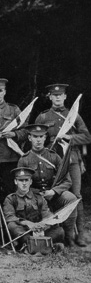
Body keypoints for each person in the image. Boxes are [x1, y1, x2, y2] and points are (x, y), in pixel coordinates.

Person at [34, 83, 91, 246]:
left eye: (60, 95)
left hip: (71, 160)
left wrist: (70, 138)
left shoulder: (73, 116)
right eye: (54, 95)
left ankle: (77, 235)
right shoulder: (43, 117)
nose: (57, 97)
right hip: (51, 162)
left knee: (76, 196)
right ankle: (58, 232)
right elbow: (37, 139)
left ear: (65, 97)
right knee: (55, 195)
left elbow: (87, 136)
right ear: (50, 97)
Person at [17, 124, 79, 246]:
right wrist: (36, 195)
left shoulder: (54, 156)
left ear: (45, 138)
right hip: (35, 198)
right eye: (35, 136)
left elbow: (67, 181)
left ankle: (68, 237)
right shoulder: (24, 160)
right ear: (29, 138)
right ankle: (38, 237)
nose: (38, 140)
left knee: (71, 199)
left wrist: (54, 191)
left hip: (53, 195)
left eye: (41, 136)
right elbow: (20, 185)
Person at [2, 167, 65, 250]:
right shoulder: (11, 198)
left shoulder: (39, 198)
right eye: (21, 180)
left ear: (30, 181)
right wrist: (28, 223)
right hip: (24, 230)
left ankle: (30, 245)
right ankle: (45, 245)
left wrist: (43, 226)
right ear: (15, 182)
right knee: (12, 226)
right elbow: (10, 217)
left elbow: (47, 214)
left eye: (26, 180)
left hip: (39, 229)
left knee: (59, 230)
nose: (24, 183)